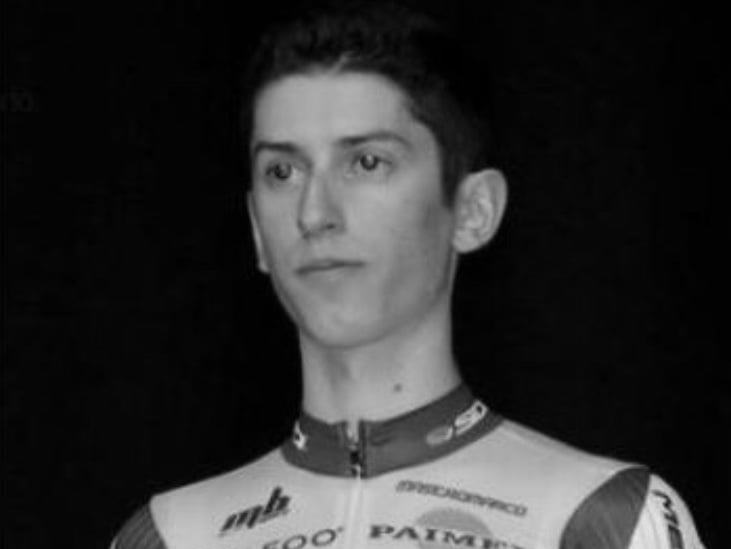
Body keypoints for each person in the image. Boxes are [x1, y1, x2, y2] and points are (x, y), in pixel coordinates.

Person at [111, 2, 706, 548]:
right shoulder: (171, 534)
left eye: (366, 162)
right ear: (256, 230)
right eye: (283, 172)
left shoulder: (599, 517)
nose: (313, 213)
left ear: (473, 211)